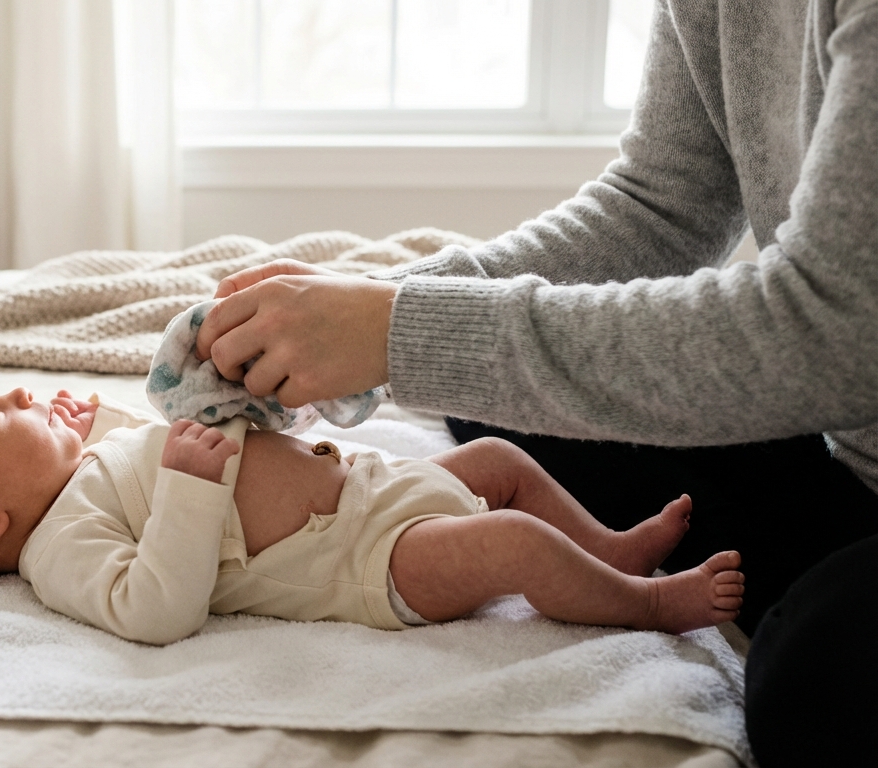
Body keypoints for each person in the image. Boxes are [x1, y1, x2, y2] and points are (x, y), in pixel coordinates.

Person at [190, 2, 878, 763]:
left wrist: (398, 330)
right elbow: (658, 206)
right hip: (850, 459)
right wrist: (385, 309)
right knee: (499, 411)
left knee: (809, 678)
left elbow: (836, 328)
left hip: (838, 378)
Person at [0, 381, 743, 646]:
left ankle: (615, 551)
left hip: (373, 486)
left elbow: (153, 448)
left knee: (499, 462)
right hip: (370, 561)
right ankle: (650, 606)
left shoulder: (81, 469)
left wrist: (83, 426)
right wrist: (193, 489)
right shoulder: (59, 549)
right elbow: (156, 608)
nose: (15, 393)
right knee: (508, 542)